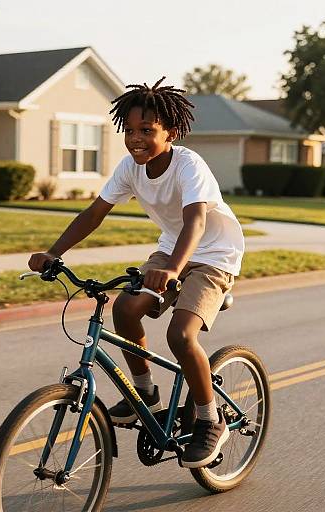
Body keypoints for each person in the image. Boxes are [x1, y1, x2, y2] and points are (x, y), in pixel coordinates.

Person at [28, 77, 244, 468]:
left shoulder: (188, 164)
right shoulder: (130, 168)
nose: (136, 138)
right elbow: (94, 214)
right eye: (129, 130)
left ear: (171, 133)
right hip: (169, 251)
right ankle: (143, 395)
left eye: (147, 130)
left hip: (214, 256)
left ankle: (210, 421)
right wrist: (53, 253)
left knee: (181, 334)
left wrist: (174, 271)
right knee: (124, 310)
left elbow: (195, 222)